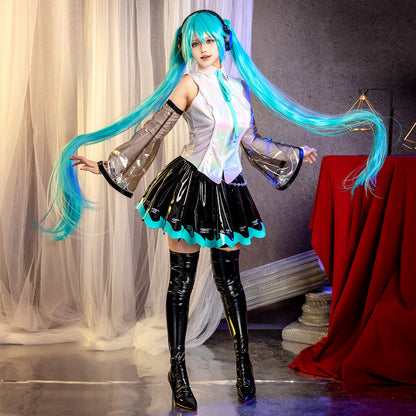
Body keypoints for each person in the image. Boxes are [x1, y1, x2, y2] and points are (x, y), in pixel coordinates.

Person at [41, 10, 386, 412]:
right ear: (187, 48)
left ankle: (243, 367)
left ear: (224, 41)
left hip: (228, 191)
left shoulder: (239, 87)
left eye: (208, 40)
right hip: (189, 187)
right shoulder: (189, 84)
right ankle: (177, 372)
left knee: (230, 283)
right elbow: (153, 131)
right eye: (195, 43)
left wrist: (292, 153)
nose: (203, 49)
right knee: (181, 284)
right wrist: (107, 165)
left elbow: (250, 140)